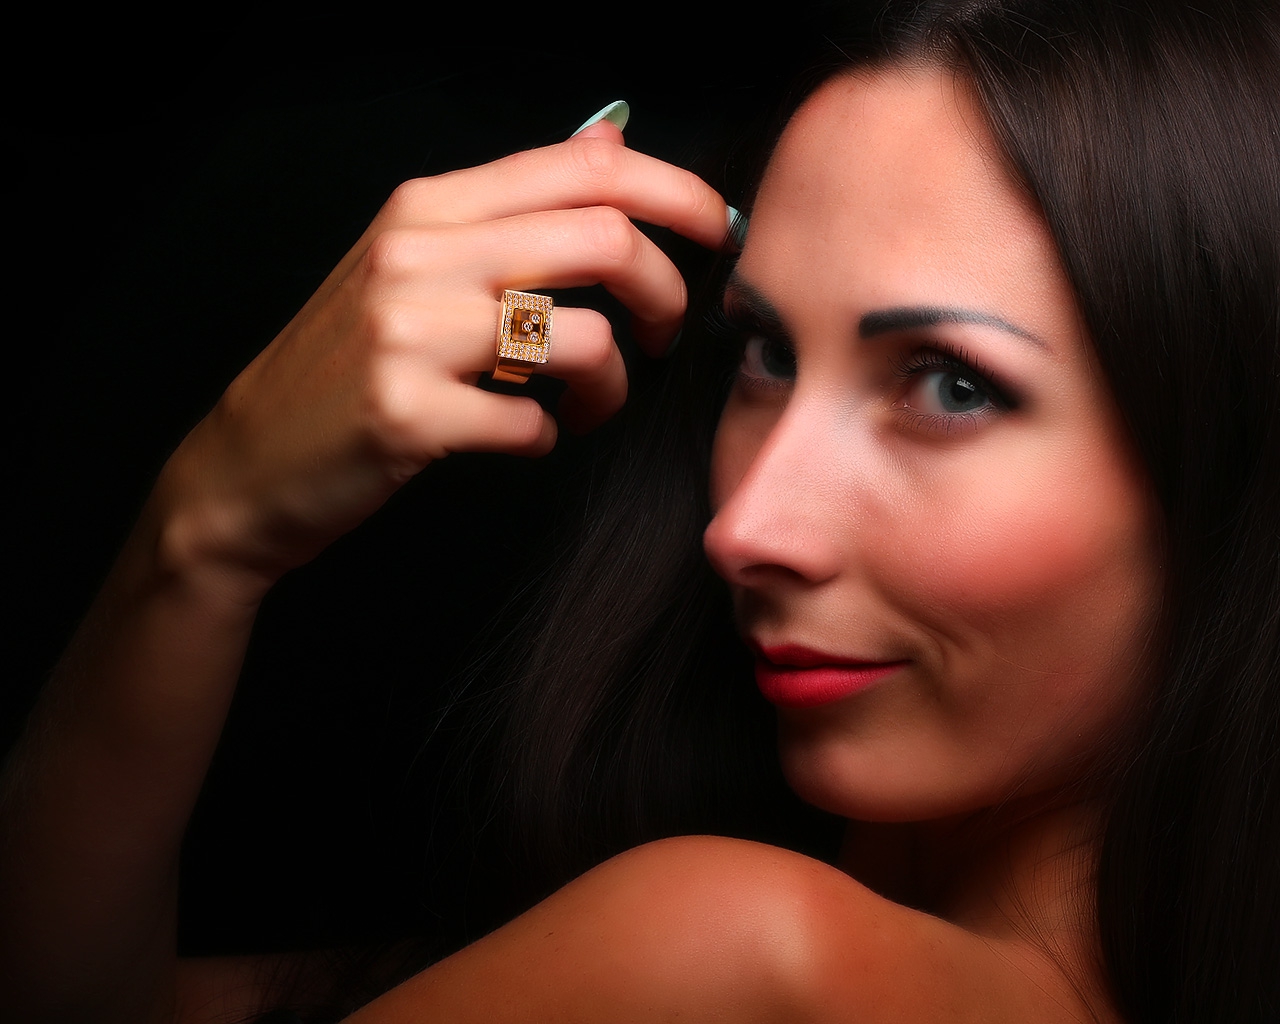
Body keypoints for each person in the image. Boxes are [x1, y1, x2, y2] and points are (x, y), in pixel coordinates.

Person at [3, 0, 1278, 1021]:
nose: (743, 528)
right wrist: (207, 534)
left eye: (949, 385)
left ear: (1232, 460)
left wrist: (204, 526)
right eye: (763, 355)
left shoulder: (736, 953)